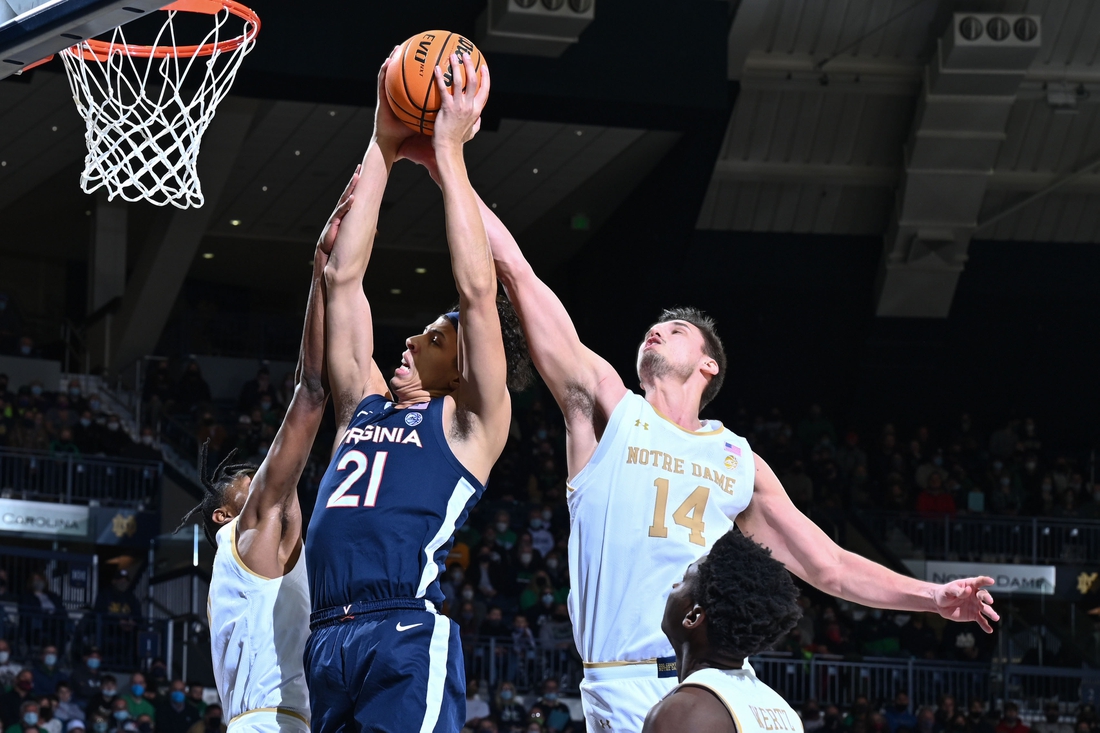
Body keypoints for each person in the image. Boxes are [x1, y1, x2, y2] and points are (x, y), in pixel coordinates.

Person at [461, 167, 1000, 729]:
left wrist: (932, 597)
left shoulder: (739, 460)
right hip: (618, 675)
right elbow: (519, 276)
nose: (657, 330)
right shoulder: (611, 409)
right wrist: (450, 165)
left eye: (675, 330)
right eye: (654, 326)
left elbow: (830, 567)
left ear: (708, 364)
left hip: (708, 681)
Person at [303, 50, 529, 733]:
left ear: (462, 366)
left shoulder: (470, 426)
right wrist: (381, 138)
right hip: (326, 635)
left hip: (401, 629)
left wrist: (450, 152)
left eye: (433, 337)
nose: (410, 340)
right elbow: (342, 278)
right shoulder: (362, 405)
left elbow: (478, 290)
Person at [174, 160, 351, 733]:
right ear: (228, 516)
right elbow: (311, 392)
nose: (268, 482)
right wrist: (322, 273)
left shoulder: (288, 554)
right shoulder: (247, 537)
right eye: (249, 488)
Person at [641, 531, 803, 733]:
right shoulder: (784, 712)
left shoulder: (683, 711)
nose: (674, 586)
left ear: (692, 617)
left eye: (683, 581)